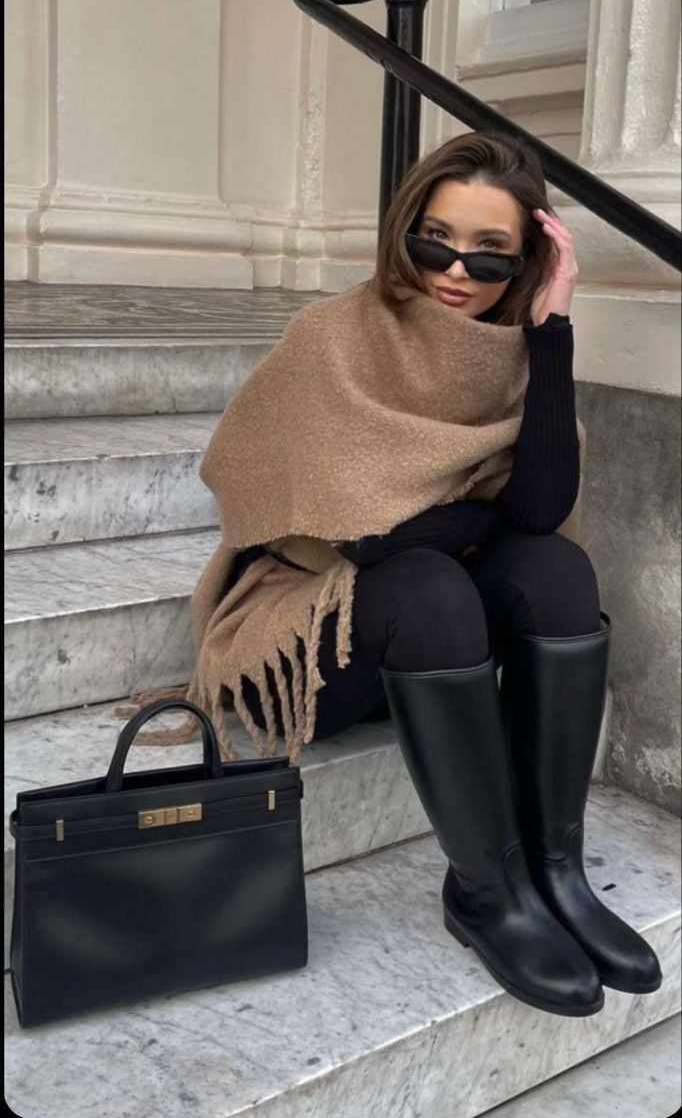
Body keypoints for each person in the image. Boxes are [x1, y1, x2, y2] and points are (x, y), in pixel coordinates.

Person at [127, 130, 662, 1017]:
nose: (455, 270)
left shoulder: (515, 356)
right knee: (424, 579)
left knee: (554, 569)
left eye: (490, 254)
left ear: (525, 263)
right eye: (435, 239)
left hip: (430, 644)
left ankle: (553, 871)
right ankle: (485, 893)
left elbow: (536, 513)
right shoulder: (334, 338)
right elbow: (367, 538)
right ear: (403, 227)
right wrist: (478, 520)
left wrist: (553, 330)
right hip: (309, 637)